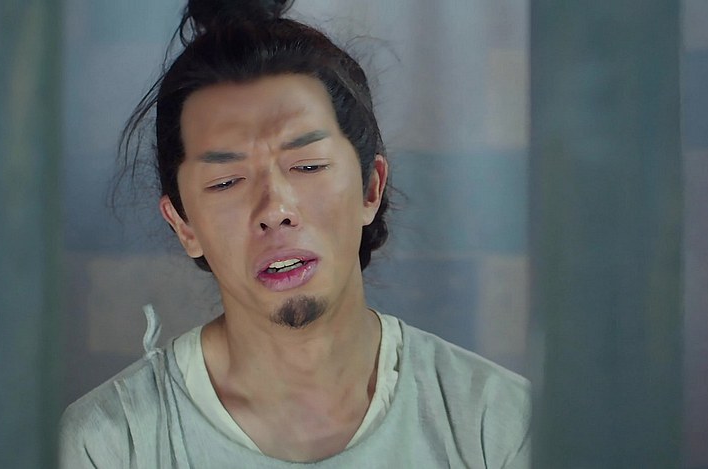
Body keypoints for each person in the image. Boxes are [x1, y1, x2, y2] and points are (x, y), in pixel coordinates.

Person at [59, 0, 531, 467]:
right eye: (226, 182)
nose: (275, 210)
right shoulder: (109, 445)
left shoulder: (498, 423)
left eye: (308, 166)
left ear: (371, 188)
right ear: (183, 224)